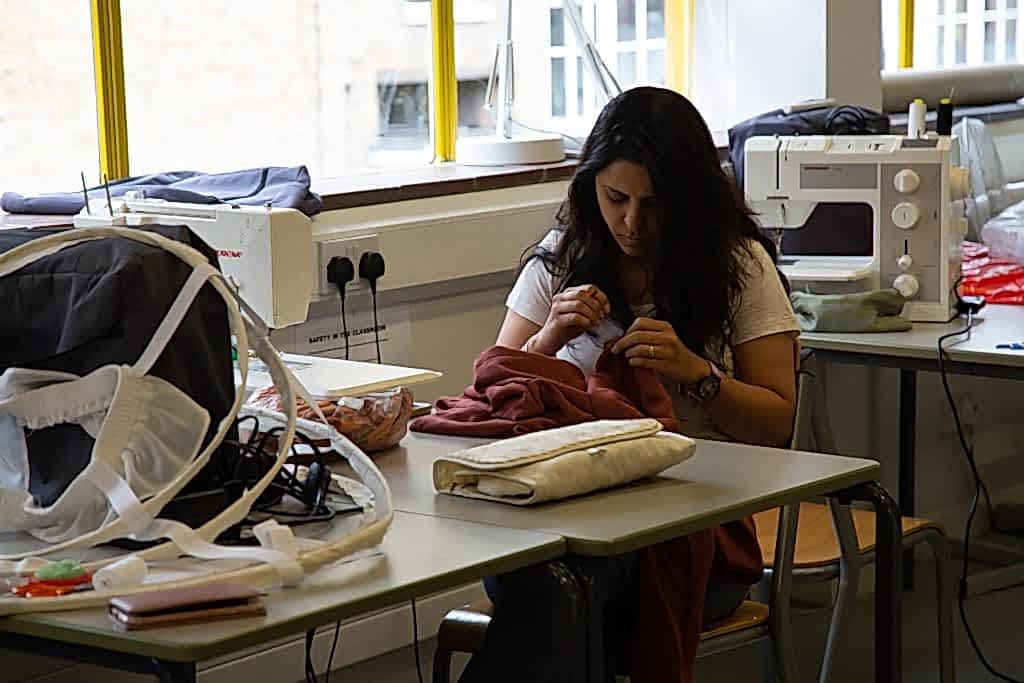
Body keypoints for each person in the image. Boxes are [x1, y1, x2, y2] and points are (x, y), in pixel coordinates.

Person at [458, 87, 800, 683]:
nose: (631, 223)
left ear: (688, 200)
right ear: (591, 185)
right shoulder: (563, 258)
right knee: (554, 584)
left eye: (653, 204)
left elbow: (777, 424)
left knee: (564, 598)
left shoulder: (738, 266)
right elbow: (491, 394)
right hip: (570, 513)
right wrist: (548, 341)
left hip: (695, 533)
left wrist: (697, 373)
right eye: (615, 198)